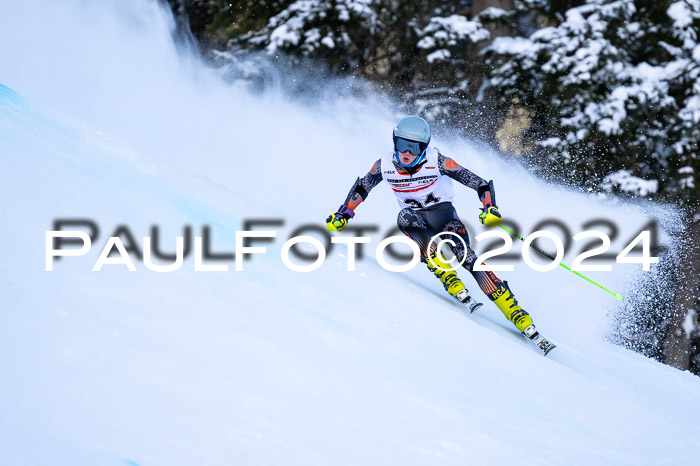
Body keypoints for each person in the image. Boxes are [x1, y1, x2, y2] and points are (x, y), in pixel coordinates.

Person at [326, 115, 553, 350]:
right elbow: (363, 186)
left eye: (413, 148)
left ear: (424, 148)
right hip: (415, 218)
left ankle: (516, 313)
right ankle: (446, 275)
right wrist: (344, 213)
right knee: (405, 218)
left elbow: (480, 183)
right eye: (401, 145)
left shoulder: (438, 161)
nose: (406, 153)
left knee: (466, 257)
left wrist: (490, 207)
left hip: (444, 216)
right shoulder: (383, 165)